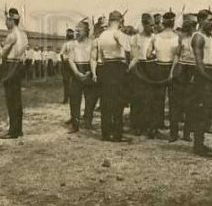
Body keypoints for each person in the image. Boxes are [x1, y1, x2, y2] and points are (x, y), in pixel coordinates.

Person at [91, 10, 131, 142]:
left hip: (105, 67)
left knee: (106, 101)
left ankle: (106, 133)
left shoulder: (102, 36)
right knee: (118, 102)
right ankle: (118, 134)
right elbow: (128, 48)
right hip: (118, 68)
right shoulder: (117, 33)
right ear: (120, 21)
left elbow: (100, 57)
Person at [153, 11, 184, 141]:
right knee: (174, 102)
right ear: (173, 22)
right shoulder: (178, 37)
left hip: (159, 67)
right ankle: (173, 133)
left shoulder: (156, 36)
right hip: (173, 67)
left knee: (157, 100)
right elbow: (177, 56)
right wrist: (172, 72)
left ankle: (155, 129)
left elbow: (149, 53)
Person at [0, 8, 28, 139]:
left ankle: (13, 131)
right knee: (17, 98)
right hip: (19, 65)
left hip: (11, 65)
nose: (5, 23)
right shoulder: (24, 34)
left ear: (11, 20)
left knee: (11, 98)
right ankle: (18, 129)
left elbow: (2, 54)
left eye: (7, 20)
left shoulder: (12, 35)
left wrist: (2, 47)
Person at [190, 13, 212, 156]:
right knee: (201, 111)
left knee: (208, 110)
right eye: (209, 20)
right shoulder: (198, 37)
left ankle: (201, 143)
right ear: (200, 20)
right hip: (203, 76)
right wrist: (210, 79)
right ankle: (197, 145)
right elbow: (199, 64)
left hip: (211, 74)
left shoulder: (210, 36)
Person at [128, 13, 156, 138]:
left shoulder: (155, 38)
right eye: (151, 25)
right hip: (138, 68)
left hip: (150, 68)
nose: (153, 28)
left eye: (154, 25)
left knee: (149, 98)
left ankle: (149, 126)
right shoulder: (135, 38)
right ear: (144, 25)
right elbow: (133, 57)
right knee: (137, 98)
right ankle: (136, 125)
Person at [67, 19, 97, 132]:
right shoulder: (72, 44)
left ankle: (88, 121)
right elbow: (70, 60)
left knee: (90, 98)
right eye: (76, 30)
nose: (77, 33)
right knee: (74, 98)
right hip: (76, 72)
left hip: (88, 71)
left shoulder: (92, 43)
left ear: (86, 31)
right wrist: (77, 73)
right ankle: (75, 124)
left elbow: (94, 58)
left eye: (80, 31)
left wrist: (90, 72)